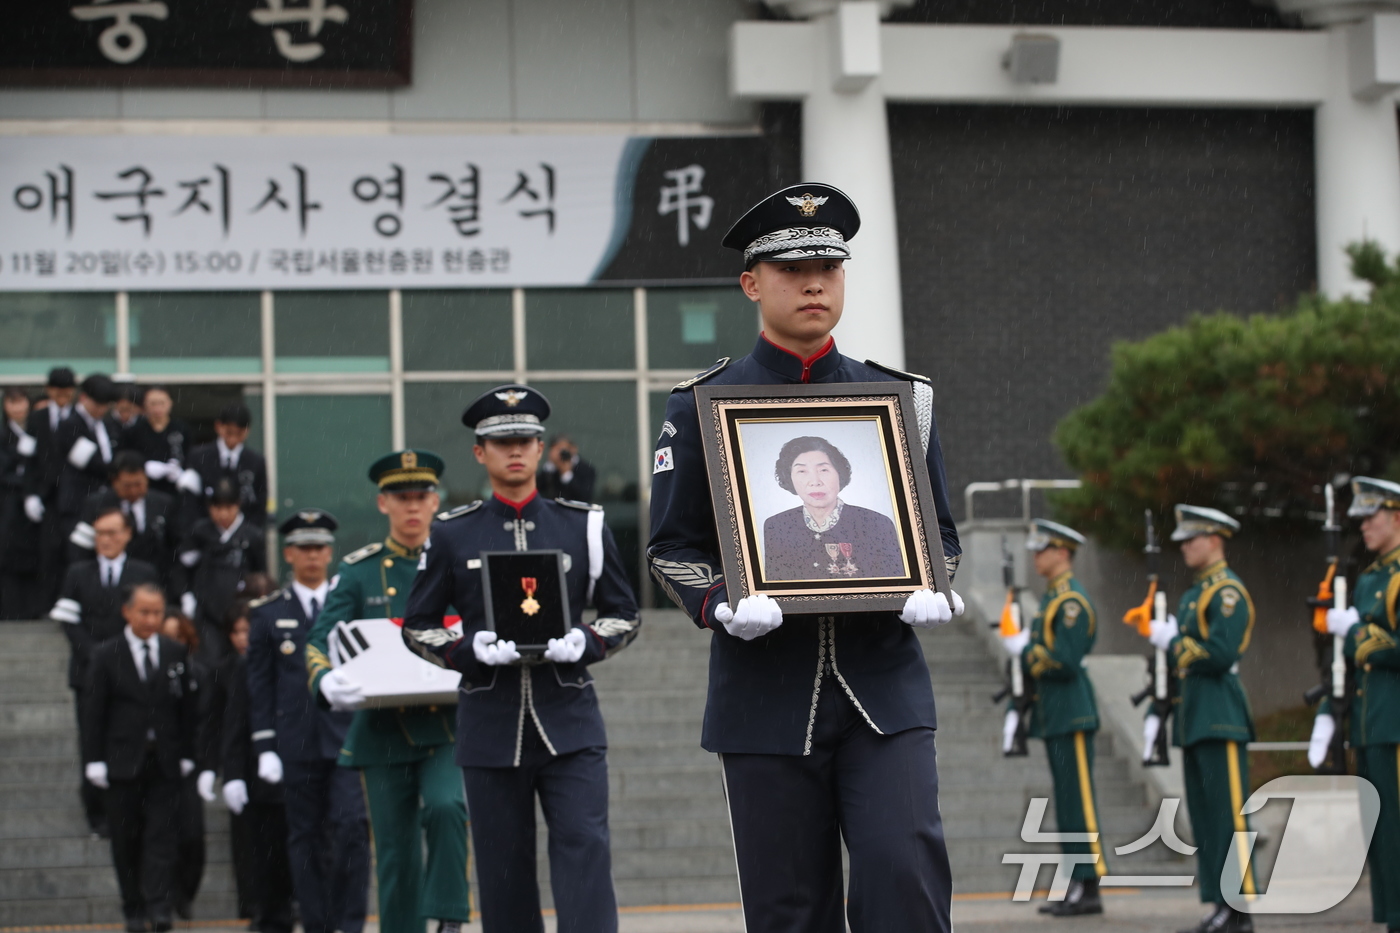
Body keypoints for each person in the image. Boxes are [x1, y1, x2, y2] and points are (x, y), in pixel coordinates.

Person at [647, 182, 963, 933]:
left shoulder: (899, 400)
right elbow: (671, 546)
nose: (814, 281)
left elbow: (941, 532)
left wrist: (933, 578)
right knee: (788, 908)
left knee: (905, 877)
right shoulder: (701, 404)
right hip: (764, 694)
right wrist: (721, 598)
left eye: (828, 264)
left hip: (882, 688)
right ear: (752, 283)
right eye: (792, 269)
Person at [401, 385, 641, 933]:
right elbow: (417, 625)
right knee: (503, 873)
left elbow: (623, 613)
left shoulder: (582, 525)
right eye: (501, 441)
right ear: (478, 453)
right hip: (490, 723)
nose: (515, 449)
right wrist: (467, 649)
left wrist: (587, 641)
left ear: (540, 449)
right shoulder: (451, 532)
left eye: (526, 439)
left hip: (570, 720)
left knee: (585, 853)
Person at [305, 450, 472, 933]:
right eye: (401, 498)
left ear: (436, 500)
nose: (412, 507)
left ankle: (448, 915)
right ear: (383, 504)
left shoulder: (455, 561)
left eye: (421, 496)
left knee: (446, 807)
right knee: (395, 853)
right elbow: (319, 639)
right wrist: (325, 679)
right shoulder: (359, 572)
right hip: (381, 730)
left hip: (445, 722)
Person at [246, 510, 369, 933]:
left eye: (319, 547)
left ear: (330, 552)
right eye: (304, 548)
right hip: (295, 742)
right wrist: (264, 746)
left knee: (352, 828)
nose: (312, 555)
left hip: (346, 738)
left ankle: (350, 922)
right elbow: (259, 686)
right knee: (305, 838)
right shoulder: (267, 614)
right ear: (289, 554)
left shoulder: (348, 607)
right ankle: (317, 923)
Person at [1146, 505, 1257, 933]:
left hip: (1220, 713)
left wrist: (1176, 641)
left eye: (1193, 539)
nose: (1185, 547)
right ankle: (1218, 903)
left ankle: (1240, 907)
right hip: (1195, 714)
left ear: (1216, 540)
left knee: (1228, 815)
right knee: (1207, 818)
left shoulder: (1227, 592)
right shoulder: (1196, 593)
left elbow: (1221, 654)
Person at [1000, 519, 1107, 917]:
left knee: (1079, 801)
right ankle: (1078, 881)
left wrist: (1024, 651)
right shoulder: (1052, 599)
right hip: (1056, 712)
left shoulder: (1070, 602)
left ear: (1063, 552)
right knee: (1066, 802)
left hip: (1072, 712)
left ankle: (1089, 884)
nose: (1035, 556)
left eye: (1042, 549)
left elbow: (1063, 659)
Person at [81, 582, 198, 933]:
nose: (151, 619)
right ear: (127, 612)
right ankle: (133, 906)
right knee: (126, 839)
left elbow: (187, 709)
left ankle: (159, 905)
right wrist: (93, 759)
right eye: (144, 612)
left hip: (163, 760)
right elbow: (93, 712)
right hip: (121, 761)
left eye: (157, 613)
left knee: (161, 837)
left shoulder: (174, 651)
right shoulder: (105, 653)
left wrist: (188, 753)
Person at [1319, 477, 1400, 933]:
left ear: (1397, 517)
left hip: (1397, 722)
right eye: (1361, 518)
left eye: (1371, 516)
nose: (1363, 526)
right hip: (1372, 723)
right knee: (1382, 831)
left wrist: (1353, 633)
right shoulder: (1371, 578)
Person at [50, 506, 160, 837]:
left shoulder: (144, 572)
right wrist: (99, 657)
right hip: (88, 673)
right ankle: (97, 812)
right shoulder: (77, 572)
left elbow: (150, 620)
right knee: (92, 739)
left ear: (127, 534)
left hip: (133, 678)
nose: (106, 540)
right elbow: (69, 621)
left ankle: (136, 808)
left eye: (112, 533)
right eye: (100, 533)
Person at [221, 600, 295, 933]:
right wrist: (232, 774)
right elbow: (234, 724)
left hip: (304, 771)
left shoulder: (300, 659)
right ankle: (268, 917)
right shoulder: (245, 665)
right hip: (261, 776)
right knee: (266, 858)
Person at [761, 435, 904, 580]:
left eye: (823, 470)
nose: (815, 482)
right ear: (789, 477)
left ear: (839, 473)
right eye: (802, 471)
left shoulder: (877, 524)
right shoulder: (776, 526)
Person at [43, 374, 121, 591]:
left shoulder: (108, 425)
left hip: (106, 503)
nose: (101, 409)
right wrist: (120, 470)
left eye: (106, 405)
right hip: (78, 503)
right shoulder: (69, 426)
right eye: (98, 404)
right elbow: (92, 463)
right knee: (79, 556)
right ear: (84, 398)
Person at [160, 611, 214, 920]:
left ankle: (185, 892)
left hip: (190, 764)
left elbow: (206, 721)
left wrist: (203, 761)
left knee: (192, 834)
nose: (173, 644)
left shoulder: (200, 673)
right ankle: (162, 897)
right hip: (157, 763)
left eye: (178, 637)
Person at [177, 477, 267, 662]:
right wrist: (186, 596)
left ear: (238, 505)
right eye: (217, 508)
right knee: (210, 661)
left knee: (243, 659)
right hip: (206, 611)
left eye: (228, 507)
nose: (223, 514)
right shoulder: (199, 532)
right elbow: (184, 566)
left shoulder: (253, 535)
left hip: (241, 612)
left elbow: (260, 571)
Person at [69, 451, 180, 591]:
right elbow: (80, 549)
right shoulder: (96, 504)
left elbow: (175, 545)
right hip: (111, 581)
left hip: (154, 580)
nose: (133, 491)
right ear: (114, 482)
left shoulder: (164, 504)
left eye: (138, 484)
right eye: (127, 485)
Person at [23, 367, 76, 607]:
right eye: (57, 391)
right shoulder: (37, 418)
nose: (62, 396)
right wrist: (30, 494)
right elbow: (28, 460)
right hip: (47, 496)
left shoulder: (80, 418)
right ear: (49, 391)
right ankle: (47, 604)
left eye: (67, 391)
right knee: (48, 552)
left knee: (73, 552)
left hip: (75, 497)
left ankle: (72, 601)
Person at [183, 403, 269, 528]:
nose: (233, 439)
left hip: (244, 532)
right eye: (229, 432)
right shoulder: (198, 456)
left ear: (247, 431)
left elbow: (260, 502)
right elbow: (190, 502)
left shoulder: (256, 461)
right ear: (218, 426)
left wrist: (249, 532)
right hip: (205, 531)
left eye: (239, 433)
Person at [1, 386, 44, 619]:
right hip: (9, 505)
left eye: (20, 402)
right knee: (8, 559)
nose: (17, 408)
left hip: (35, 505)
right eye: (11, 402)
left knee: (35, 557)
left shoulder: (37, 430)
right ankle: (11, 611)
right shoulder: (3, 434)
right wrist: (21, 460)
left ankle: (34, 610)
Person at [120, 386, 192, 499]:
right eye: (153, 403)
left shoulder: (181, 428)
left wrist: (182, 472)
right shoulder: (135, 430)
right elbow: (126, 457)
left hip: (175, 489)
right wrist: (144, 467)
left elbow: (190, 454)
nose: (158, 408)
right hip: (145, 490)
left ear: (170, 403)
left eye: (162, 403)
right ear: (144, 405)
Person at [536, 434, 597, 502]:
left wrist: (566, 474)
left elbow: (584, 496)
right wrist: (550, 467)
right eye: (555, 449)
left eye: (562, 449)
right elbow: (538, 488)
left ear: (573, 449)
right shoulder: (550, 469)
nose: (560, 453)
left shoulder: (586, 469)